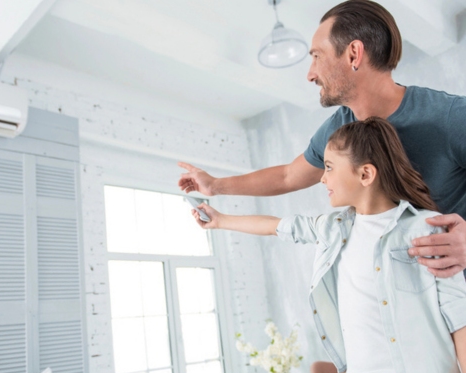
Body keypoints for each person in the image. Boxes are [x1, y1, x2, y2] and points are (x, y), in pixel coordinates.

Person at [178, 0, 466, 279]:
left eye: (317, 56)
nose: (310, 74)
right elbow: (288, 176)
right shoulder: (339, 129)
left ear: (354, 54)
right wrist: (215, 186)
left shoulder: (450, 117)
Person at [191, 117, 466, 373]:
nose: (323, 178)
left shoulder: (425, 228)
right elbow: (275, 226)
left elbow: (459, 318)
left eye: (330, 167)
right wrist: (221, 221)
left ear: (365, 175)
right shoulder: (332, 229)